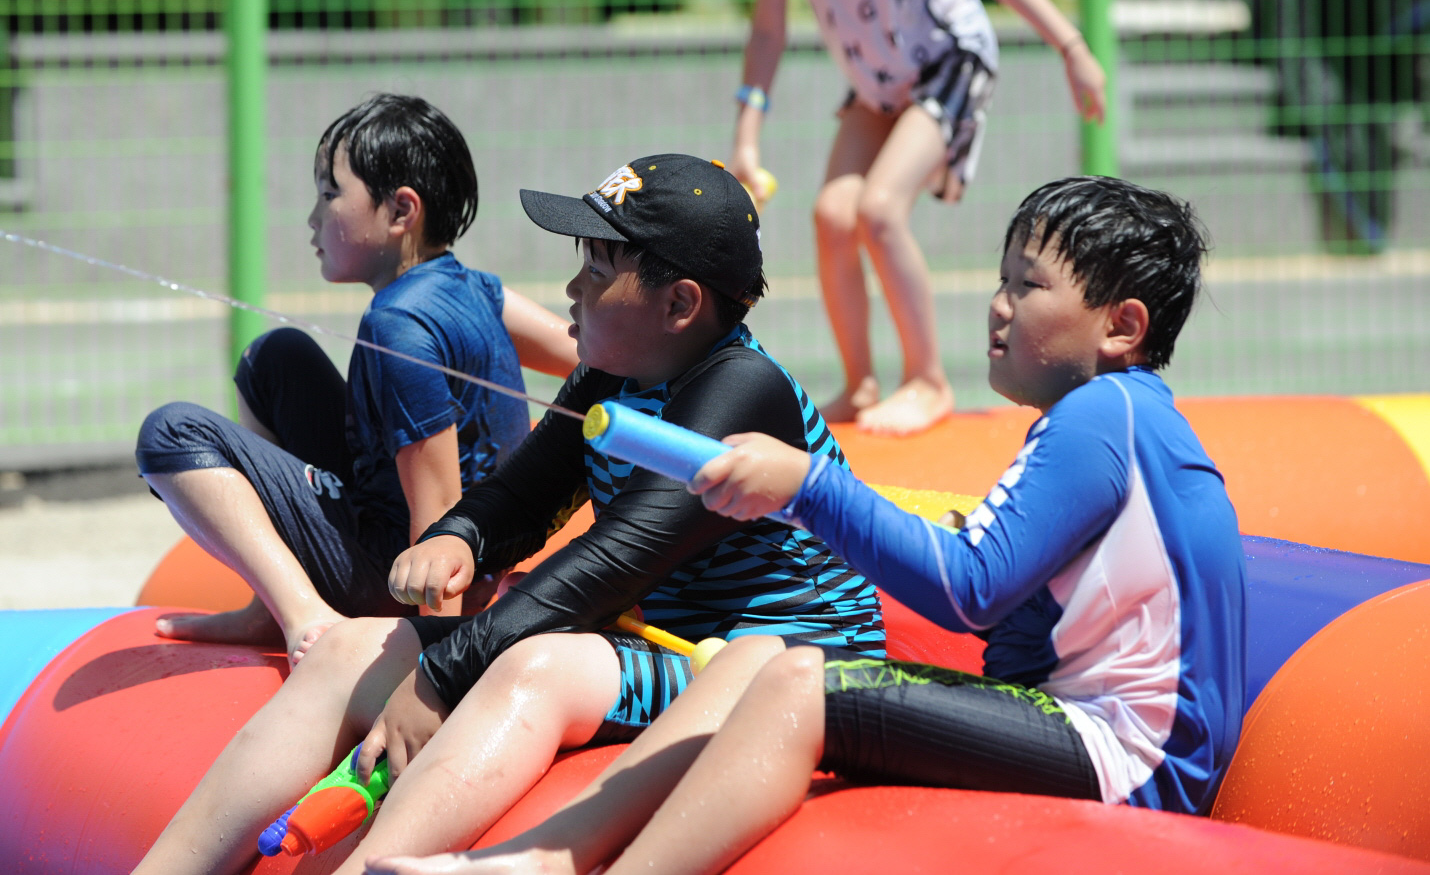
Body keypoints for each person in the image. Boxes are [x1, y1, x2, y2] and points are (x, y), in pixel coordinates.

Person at [368, 175, 1245, 875]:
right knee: (763, 662)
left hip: (1119, 753)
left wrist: (808, 485)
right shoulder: (1120, 420)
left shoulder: (1101, 417)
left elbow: (970, 589)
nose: (999, 304)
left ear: (1122, 325)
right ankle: (543, 856)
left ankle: (567, 863)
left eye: (1030, 285)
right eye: (1001, 279)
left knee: (794, 682)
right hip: (1091, 730)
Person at [132, 154, 883, 875]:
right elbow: (526, 495)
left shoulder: (743, 391)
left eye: (597, 271)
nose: (571, 288)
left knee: (536, 666)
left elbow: (621, 556)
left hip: (774, 663)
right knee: (344, 651)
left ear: (679, 304)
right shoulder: (612, 376)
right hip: (667, 640)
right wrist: (462, 536)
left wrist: (441, 676)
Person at [727, 0, 1108, 434]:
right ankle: (860, 382)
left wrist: (1071, 45)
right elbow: (768, 30)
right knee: (831, 216)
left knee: (878, 209)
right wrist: (746, 138)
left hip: (948, 61)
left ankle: (928, 379)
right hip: (878, 84)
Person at [134, 93, 577, 661]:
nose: (313, 218)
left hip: (404, 577)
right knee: (274, 358)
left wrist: (437, 658)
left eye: (330, 194)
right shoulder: (475, 288)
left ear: (400, 212)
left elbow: (440, 508)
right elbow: (584, 355)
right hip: (444, 547)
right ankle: (266, 607)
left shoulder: (398, 327)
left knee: (171, 432)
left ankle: (304, 615)